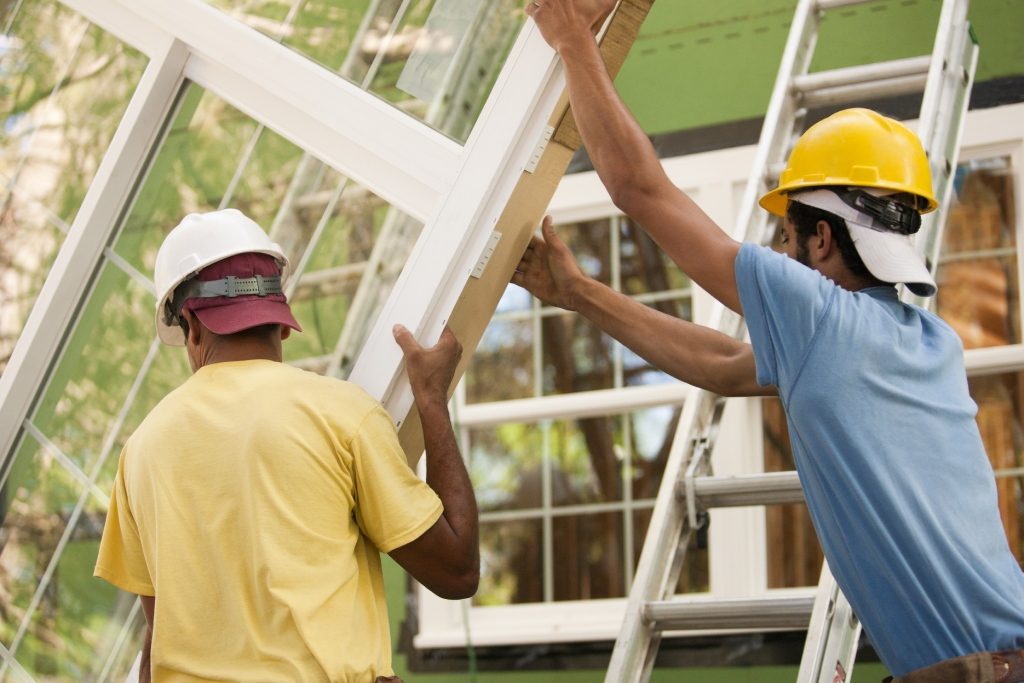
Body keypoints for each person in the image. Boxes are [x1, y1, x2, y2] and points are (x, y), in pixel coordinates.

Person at [518, 1, 1024, 681]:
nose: (782, 253)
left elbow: (639, 189)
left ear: (822, 237)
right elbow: (726, 364)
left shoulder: (821, 316)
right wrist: (577, 292)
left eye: (788, 236)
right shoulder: (927, 341)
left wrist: (574, 40)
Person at [94, 209, 478, 682]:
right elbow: (457, 572)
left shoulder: (140, 452)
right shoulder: (342, 415)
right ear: (279, 321)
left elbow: (157, 641)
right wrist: (432, 399)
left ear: (191, 326)